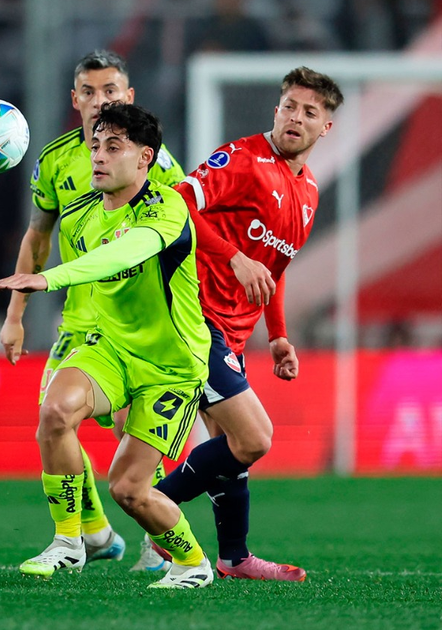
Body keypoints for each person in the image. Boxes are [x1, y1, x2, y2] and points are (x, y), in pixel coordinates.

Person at [0, 102, 214, 590]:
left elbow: (122, 254)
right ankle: (69, 541)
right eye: (95, 145)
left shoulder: (167, 207)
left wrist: (47, 279)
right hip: (109, 348)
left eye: (114, 147)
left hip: (171, 365)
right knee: (54, 413)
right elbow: (89, 285)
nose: (98, 156)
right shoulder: (79, 218)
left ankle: (193, 562)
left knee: (129, 490)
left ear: (145, 158)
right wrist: (33, 320)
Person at [155, 66, 344, 581]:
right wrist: (233, 257)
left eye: (309, 112)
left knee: (232, 451)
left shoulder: (309, 192)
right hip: (193, 317)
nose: (295, 118)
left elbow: (274, 267)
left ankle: (234, 558)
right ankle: (154, 508)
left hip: (234, 332)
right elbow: (176, 204)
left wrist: (278, 335)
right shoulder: (242, 159)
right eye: (289, 106)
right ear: (276, 110)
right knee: (255, 438)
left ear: (325, 127)